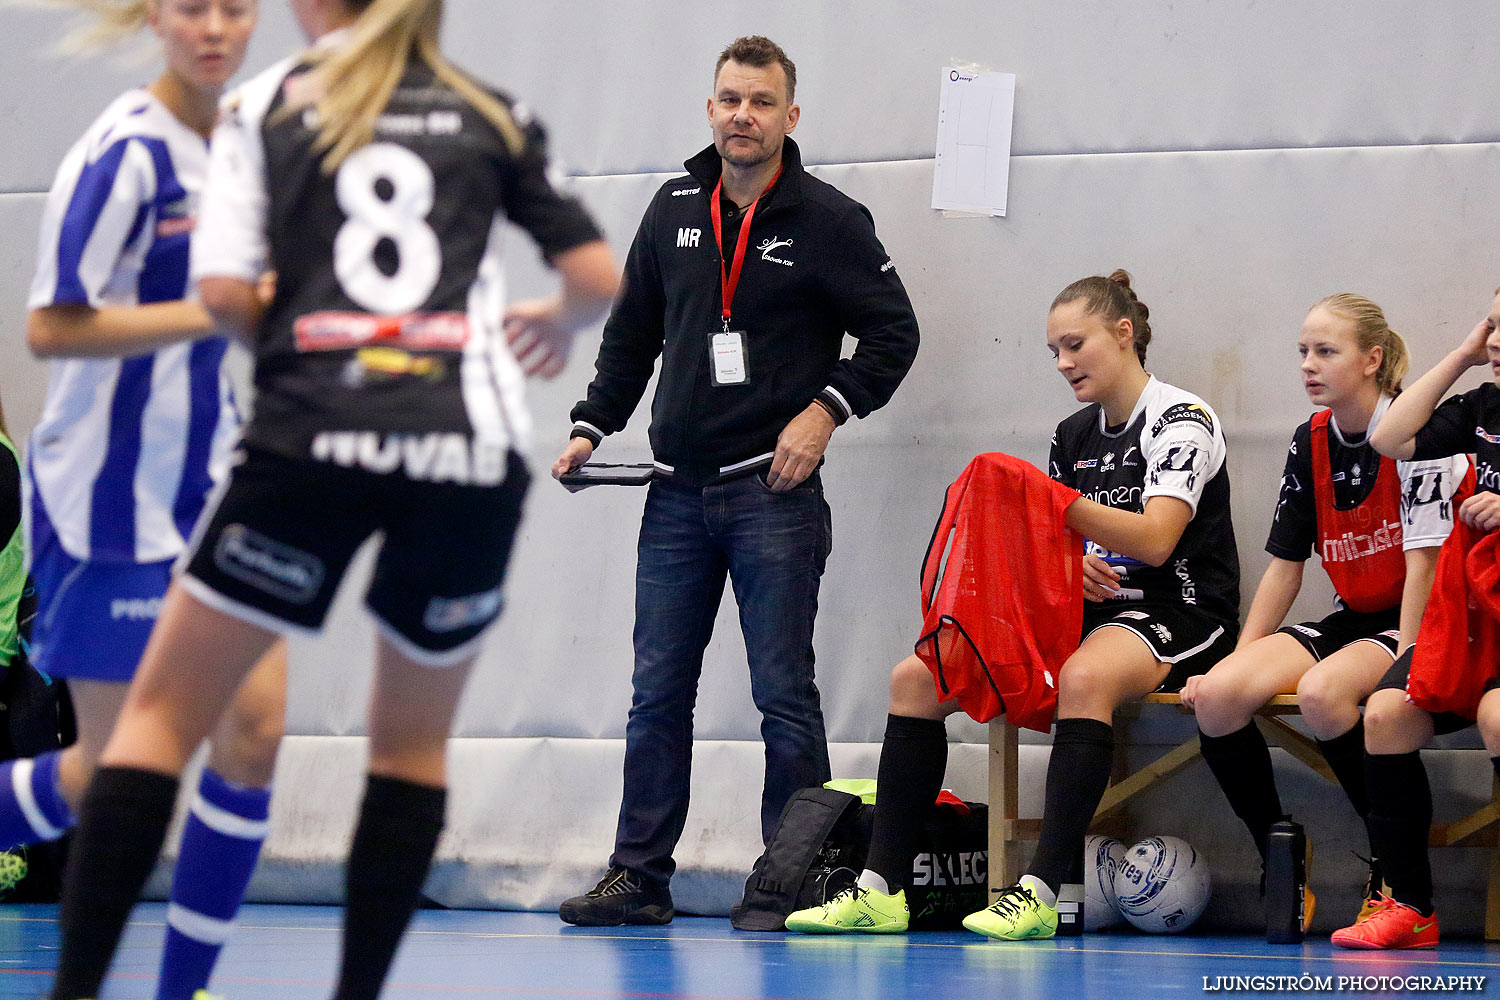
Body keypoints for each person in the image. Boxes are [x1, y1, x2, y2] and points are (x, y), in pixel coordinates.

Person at [42, 0, 619, 997]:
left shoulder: (263, 107)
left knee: (157, 726)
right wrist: (555, 322)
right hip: (466, 451)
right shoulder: (494, 109)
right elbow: (596, 275)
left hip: (312, 436)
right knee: (408, 748)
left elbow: (223, 296)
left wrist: (321, 322)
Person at [552, 34, 919, 927]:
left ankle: (795, 881)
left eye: (761, 102)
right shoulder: (674, 206)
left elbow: (893, 335)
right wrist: (591, 423)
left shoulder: (831, 219)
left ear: (791, 118)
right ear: (709, 108)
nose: (742, 116)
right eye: (728, 99)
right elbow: (633, 331)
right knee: (657, 692)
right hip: (676, 490)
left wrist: (825, 411)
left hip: (774, 495)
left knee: (782, 694)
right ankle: (638, 876)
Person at [785, 270, 1240, 939]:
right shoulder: (1073, 434)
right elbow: (1054, 543)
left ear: (1123, 334)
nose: (1062, 363)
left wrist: (1057, 506)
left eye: (1074, 344)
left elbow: (1155, 536)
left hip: (1181, 609)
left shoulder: (1182, 419)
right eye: (1053, 350)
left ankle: (1041, 892)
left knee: (1085, 676)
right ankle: (880, 891)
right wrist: (1068, 561)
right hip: (1087, 614)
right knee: (915, 677)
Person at [20, 4, 291, 998]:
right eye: (191, 6)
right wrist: (210, 309)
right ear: (155, 19)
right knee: (105, 773)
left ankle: (184, 988)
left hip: (213, 489)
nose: (214, 26)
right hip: (106, 500)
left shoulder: (255, 142)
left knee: (256, 728)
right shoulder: (123, 153)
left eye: (233, 6)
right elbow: (50, 326)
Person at [1183, 295, 1464, 925]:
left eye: (1325, 351)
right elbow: (1286, 565)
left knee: (1322, 695)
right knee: (1220, 696)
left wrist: (1407, 660)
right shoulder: (1309, 441)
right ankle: (1282, 855)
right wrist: (1236, 657)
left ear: (1373, 359)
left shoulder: (1417, 436)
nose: (1308, 365)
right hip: (1351, 618)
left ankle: (1393, 867)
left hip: (1414, 618)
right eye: (1303, 352)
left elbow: (1426, 565)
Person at [1342, 290, 1500, 950]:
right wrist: (1464, 355)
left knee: (1498, 716)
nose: (1495, 341)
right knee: (1384, 714)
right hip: (1474, 620)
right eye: (1494, 325)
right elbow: (1389, 436)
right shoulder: (1487, 405)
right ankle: (1412, 905)